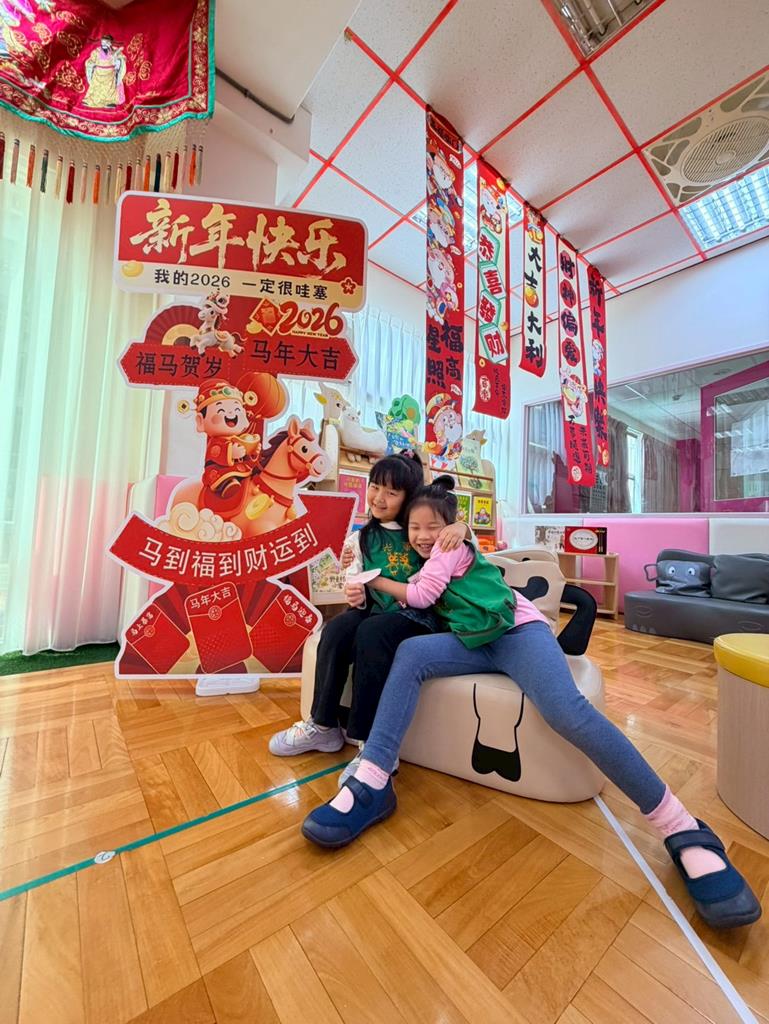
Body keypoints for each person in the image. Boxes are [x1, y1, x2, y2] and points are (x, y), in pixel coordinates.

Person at [302, 477, 761, 931]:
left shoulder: (451, 545)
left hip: (517, 632)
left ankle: (681, 826)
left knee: (566, 711)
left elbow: (443, 563)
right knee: (410, 654)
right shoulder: (402, 555)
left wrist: (458, 530)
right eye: (414, 527)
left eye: (432, 525)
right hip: (470, 640)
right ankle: (374, 778)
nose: (422, 534)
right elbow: (408, 592)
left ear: (447, 523)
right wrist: (360, 587)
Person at [268, 454, 468, 779]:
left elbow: (461, 545)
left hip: (420, 617)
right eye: (375, 486)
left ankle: (371, 744)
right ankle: (323, 726)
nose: (378, 497)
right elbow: (354, 578)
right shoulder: (361, 538)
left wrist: (461, 526)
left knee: (372, 633)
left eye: (391, 492)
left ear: (409, 498)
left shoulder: (420, 528)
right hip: (374, 612)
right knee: (337, 629)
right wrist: (354, 592)